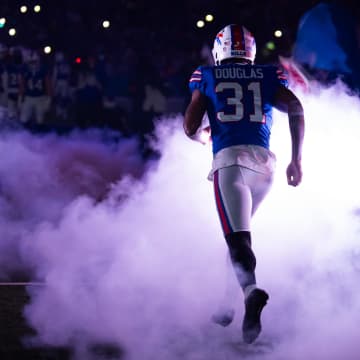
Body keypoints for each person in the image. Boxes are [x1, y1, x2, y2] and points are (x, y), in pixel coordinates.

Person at [183, 24, 305, 344]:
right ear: (250, 50)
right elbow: (295, 106)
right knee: (239, 236)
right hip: (266, 166)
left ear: (219, 49)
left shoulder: (207, 76)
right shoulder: (266, 75)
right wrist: (297, 159)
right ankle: (226, 304)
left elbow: (190, 126)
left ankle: (251, 292)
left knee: (238, 240)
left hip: (231, 163)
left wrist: (201, 135)